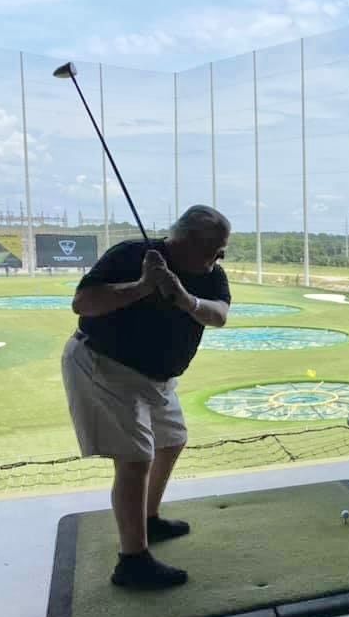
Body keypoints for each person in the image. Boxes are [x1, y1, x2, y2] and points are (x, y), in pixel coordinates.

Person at [61, 205, 232, 588]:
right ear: (183, 240)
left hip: (156, 379)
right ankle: (132, 562)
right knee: (135, 459)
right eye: (213, 248)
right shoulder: (130, 255)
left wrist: (184, 298)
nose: (219, 257)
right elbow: (83, 303)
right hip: (103, 365)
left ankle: (148, 520)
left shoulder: (211, 275)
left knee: (172, 441)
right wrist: (141, 287)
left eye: (222, 250)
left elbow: (219, 315)